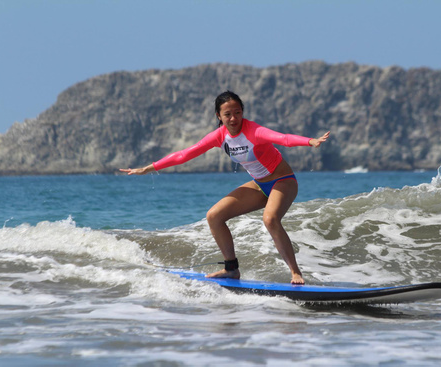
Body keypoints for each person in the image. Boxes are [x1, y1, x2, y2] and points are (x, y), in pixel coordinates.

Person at [121, 91, 330, 284]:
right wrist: (148, 168)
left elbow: (282, 138)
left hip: (282, 180)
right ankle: (231, 269)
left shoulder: (254, 130)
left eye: (237, 112)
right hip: (259, 185)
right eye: (227, 114)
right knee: (214, 216)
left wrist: (310, 141)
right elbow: (185, 154)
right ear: (219, 116)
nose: (233, 118)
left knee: (270, 219)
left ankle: (295, 272)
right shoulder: (219, 136)